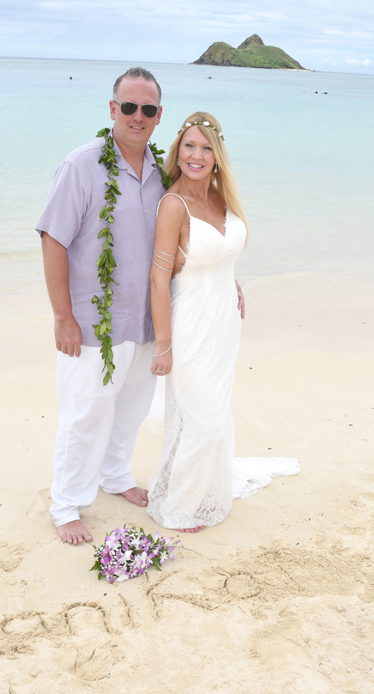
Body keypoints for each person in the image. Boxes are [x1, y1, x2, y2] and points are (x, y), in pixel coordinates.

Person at [36, 67, 166, 545]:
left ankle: (115, 476)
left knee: (131, 409)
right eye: (128, 107)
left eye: (147, 109)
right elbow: (53, 240)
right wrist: (62, 316)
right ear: (112, 109)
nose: (137, 116)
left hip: (145, 320)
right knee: (85, 415)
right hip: (93, 325)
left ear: (157, 117)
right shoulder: (82, 165)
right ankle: (66, 503)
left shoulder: (162, 171)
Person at [146, 112, 248, 533]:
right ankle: (181, 504)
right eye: (189, 145)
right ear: (178, 151)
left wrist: (233, 279)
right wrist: (164, 345)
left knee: (214, 415)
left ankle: (203, 492)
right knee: (200, 418)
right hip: (189, 325)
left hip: (224, 321)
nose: (196, 155)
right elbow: (158, 277)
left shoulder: (223, 200)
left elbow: (218, 252)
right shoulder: (174, 205)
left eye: (206, 147)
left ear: (217, 156)